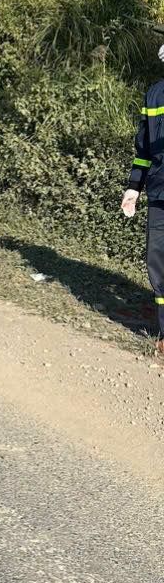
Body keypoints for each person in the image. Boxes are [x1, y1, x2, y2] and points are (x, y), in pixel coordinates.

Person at [122, 47, 164, 358]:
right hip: (159, 191)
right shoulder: (154, 94)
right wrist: (134, 187)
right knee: (158, 260)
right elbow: (144, 148)